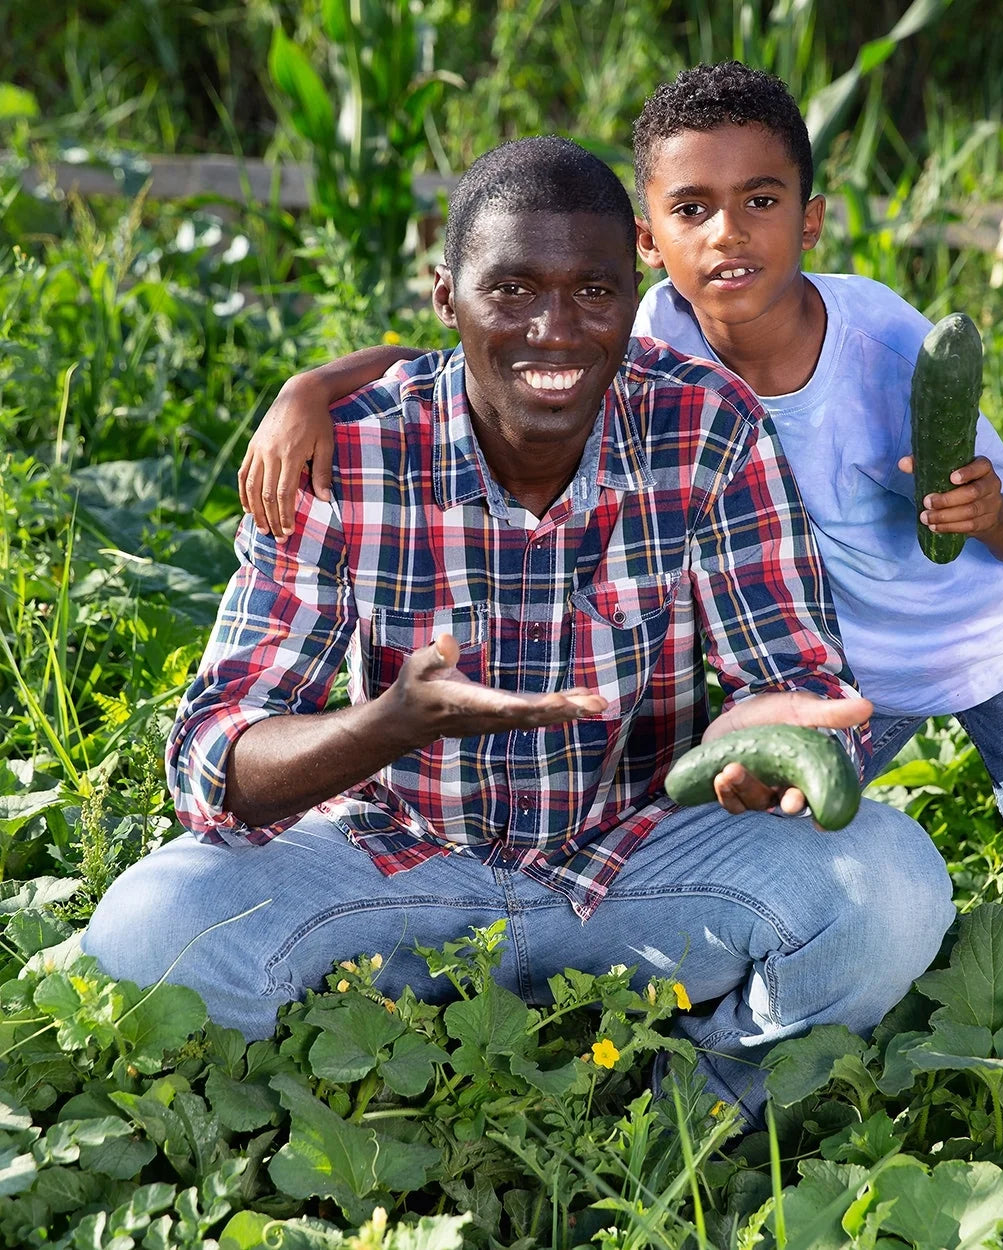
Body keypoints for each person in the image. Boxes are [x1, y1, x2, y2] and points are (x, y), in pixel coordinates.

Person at [235, 68, 1003, 1058]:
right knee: (744, 825)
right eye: (692, 209)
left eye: (761, 202)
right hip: (845, 670)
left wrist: (987, 510)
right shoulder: (646, 332)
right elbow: (481, 339)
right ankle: (699, 1047)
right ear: (648, 240)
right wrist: (310, 386)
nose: (728, 234)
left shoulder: (879, 341)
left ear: (810, 220)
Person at [83, 135, 954, 1128]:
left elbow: (786, 674)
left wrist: (771, 739)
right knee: (150, 930)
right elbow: (213, 753)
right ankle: (343, 1084)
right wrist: (385, 726)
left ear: (632, 289)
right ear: (444, 294)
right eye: (511, 291)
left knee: (890, 887)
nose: (554, 330)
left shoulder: (706, 426)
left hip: (635, 863)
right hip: (392, 867)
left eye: (592, 291)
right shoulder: (352, 450)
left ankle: (694, 1111)